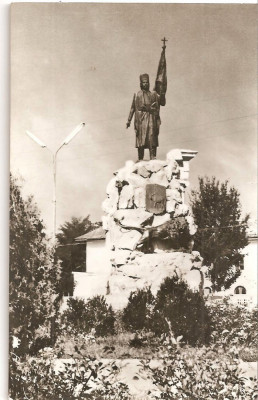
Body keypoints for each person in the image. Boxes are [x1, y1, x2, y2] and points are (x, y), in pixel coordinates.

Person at [126, 73, 166, 161]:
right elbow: (133, 108)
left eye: (147, 82)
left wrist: (162, 92)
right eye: (144, 82)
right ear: (141, 84)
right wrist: (129, 120)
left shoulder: (154, 94)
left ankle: (153, 157)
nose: (146, 84)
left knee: (151, 137)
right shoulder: (137, 94)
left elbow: (162, 102)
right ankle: (140, 158)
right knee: (141, 139)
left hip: (151, 118)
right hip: (141, 120)